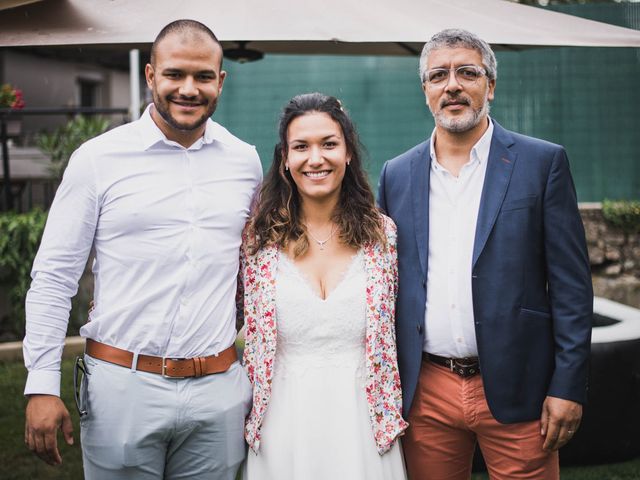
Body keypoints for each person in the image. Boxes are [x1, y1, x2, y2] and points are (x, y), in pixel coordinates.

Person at [23, 19, 261, 479]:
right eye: (174, 75)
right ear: (151, 75)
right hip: (122, 388)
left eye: (203, 77)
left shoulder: (245, 161)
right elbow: (54, 277)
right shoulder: (97, 159)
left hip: (219, 389)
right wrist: (40, 385)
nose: (188, 89)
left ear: (221, 81)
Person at [378, 29, 593, 480]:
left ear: (490, 85)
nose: (452, 84)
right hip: (427, 390)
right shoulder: (395, 175)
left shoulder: (542, 163)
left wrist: (568, 385)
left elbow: (572, 287)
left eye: (467, 72)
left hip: (521, 384)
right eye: (438, 75)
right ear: (426, 91)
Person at [239, 92, 408, 480]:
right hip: (282, 421)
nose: (315, 159)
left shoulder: (383, 237)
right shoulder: (256, 243)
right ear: (285, 159)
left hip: (365, 424)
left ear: (348, 153)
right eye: (301, 147)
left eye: (329, 144)